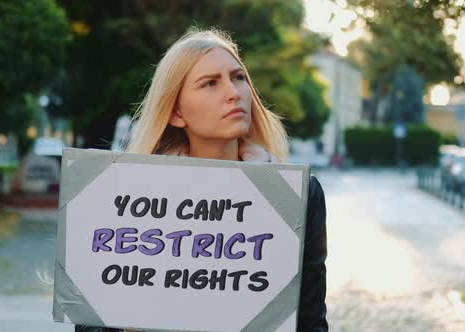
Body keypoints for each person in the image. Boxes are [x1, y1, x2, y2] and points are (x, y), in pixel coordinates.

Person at [75, 28, 327, 332]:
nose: (233, 92)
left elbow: (311, 320)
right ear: (176, 113)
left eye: (238, 77)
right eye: (210, 83)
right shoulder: (125, 196)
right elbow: (92, 321)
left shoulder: (298, 195)